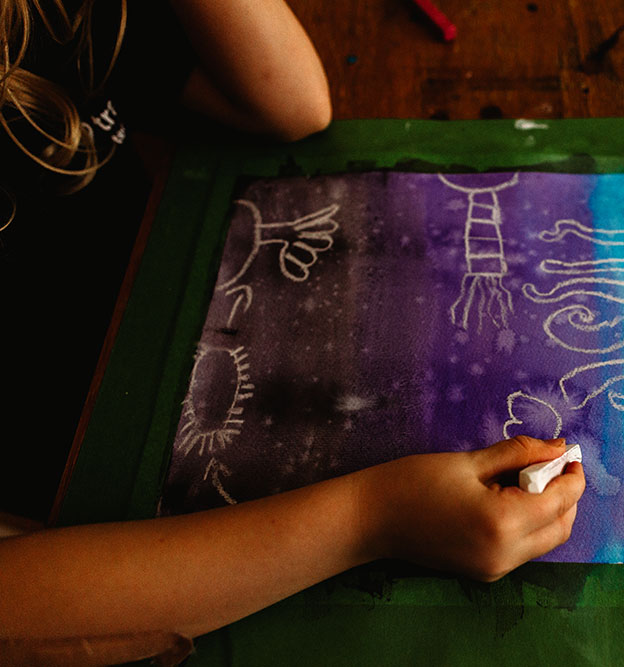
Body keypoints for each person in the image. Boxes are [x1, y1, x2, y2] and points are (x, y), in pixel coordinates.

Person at [0, 2, 586, 663]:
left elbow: (291, 102)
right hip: (78, 515)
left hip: (158, 313)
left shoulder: (46, 20)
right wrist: (374, 517)